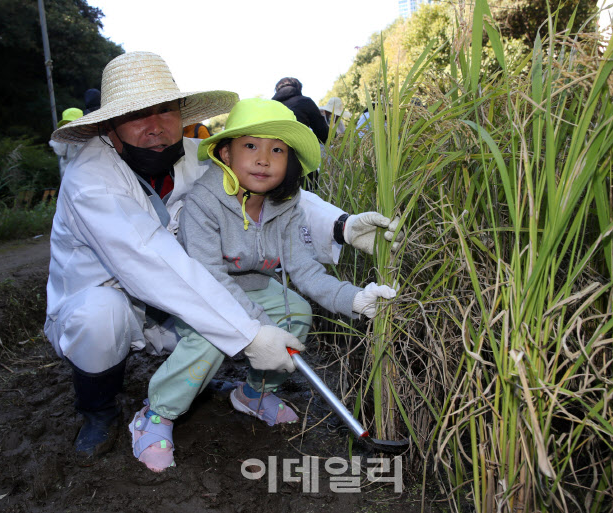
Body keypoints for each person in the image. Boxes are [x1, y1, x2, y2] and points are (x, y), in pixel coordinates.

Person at [45, 51, 403, 464]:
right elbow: (148, 259)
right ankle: (99, 411)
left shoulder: (202, 156)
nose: (155, 128)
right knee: (100, 318)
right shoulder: (90, 179)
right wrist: (249, 334)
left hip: (182, 293)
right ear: (110, 126)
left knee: (259, 312)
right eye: (137, 115)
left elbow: (271, 191)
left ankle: (252, 395)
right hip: (111, 293)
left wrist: (340, 225)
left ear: (181, 113)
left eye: (166, 111)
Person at [128, 98, 397, 472]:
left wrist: (355, 299)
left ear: (289, 162)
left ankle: (255, 393)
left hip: (252, 285)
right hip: (201, 294)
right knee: (208, 339)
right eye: (250, 146)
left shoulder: (284, 206)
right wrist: (257, 328)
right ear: (225, 152)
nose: (263, 159)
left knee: (298, 311)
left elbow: (305, 272)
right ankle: (158, 414)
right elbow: (209, 280)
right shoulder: (203, 204)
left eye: (277, 150)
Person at [48, 107, 83, 179]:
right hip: (67, 175)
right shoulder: (61, 137)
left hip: (84, 175)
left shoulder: (89, 138)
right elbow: (60, 151)